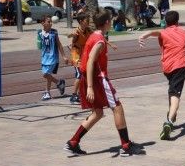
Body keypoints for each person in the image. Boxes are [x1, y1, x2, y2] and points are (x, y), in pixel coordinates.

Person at [64, 9, 135, 156]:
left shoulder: (95, 35)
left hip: (90, 78)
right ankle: (126, 146)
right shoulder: (99, 41)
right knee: (117, 107)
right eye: (110, 20)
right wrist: (90, 87)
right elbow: (90, 61)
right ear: (107, 22)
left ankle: (73, 142)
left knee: (97, 112)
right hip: (97, 79)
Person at [138, 10, 185, 140]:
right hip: (180, 66)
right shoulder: (183, 32)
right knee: (176, 95)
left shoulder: (163, 33)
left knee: (172, 92)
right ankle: (169, 121)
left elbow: (156, 32)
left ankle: (171, 114)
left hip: (167, 68)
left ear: (165, 22)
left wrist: (144, 35)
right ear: (178, 21)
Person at [37, 15, 68, 101]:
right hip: (44, 57)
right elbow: (39, 46)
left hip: (53, 57)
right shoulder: (39, 33)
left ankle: (57, 84)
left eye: (51, 22)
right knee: (48, 74)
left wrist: (64, 56)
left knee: (45, 74)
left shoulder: (54, 32)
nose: (51, 23)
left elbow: (59, 45)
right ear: (43, 23)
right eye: (48, 22)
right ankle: (49, 91)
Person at [68, 13, 92, 104]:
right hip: (76, 56)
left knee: (85, 75)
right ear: (81, 21)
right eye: (87, 20)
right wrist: (71, 35)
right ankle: (73, 95)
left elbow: (97, 36)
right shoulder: (77, 32)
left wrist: (108, 43)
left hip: (84, 56)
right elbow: (71, 37)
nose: (88, 21)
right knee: (79, 74)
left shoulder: (88, 30)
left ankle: (80, 94)